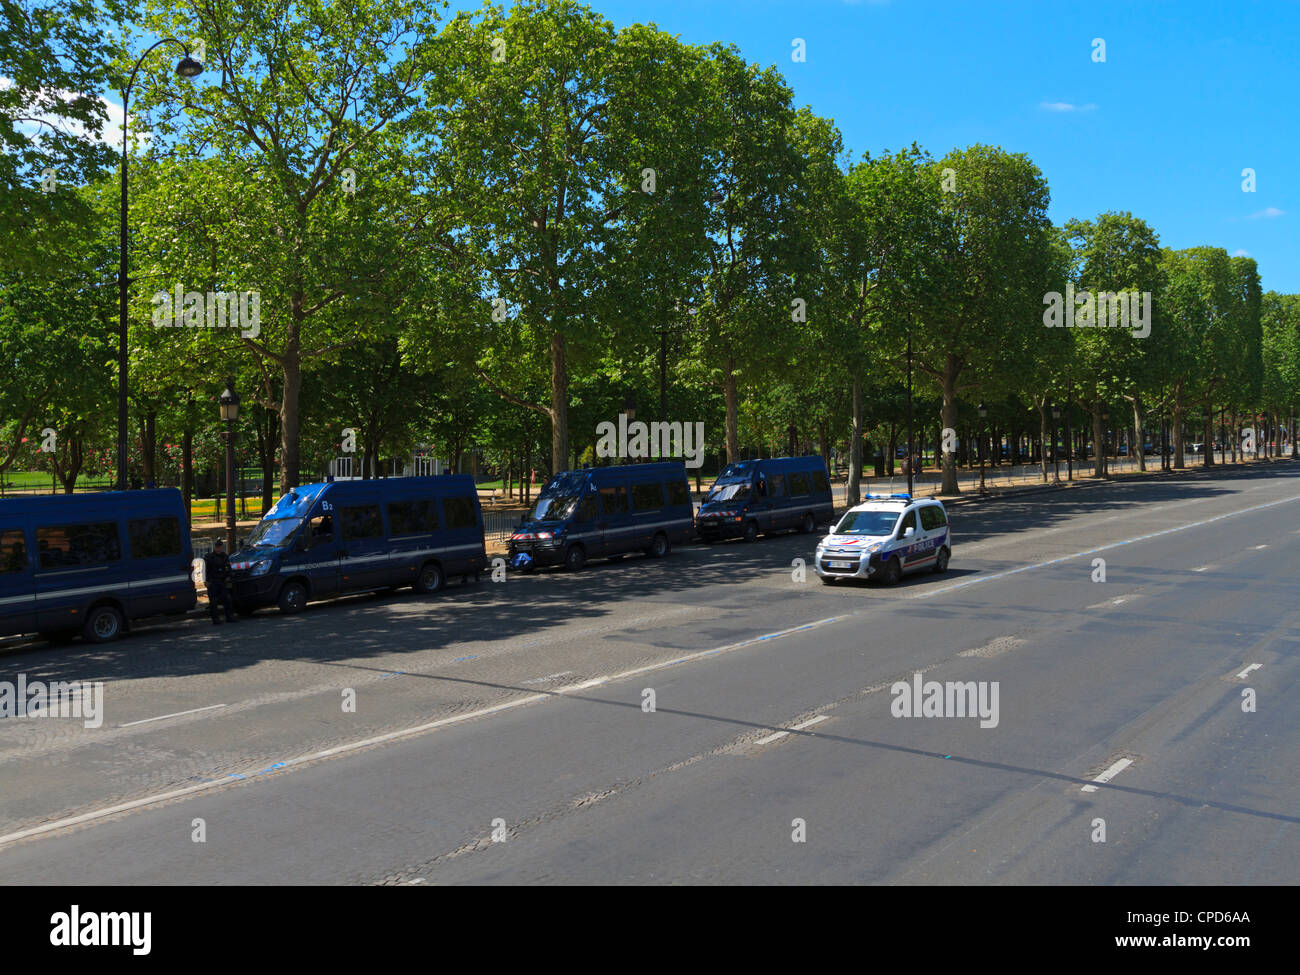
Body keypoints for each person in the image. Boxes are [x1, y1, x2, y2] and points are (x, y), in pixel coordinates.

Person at [203, 539, 236, 625]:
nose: (219, 549)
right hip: (213, 582)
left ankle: (229, 617)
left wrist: (229, 576)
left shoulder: (224, 556)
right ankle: (216, 619)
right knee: (213, 602)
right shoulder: (209, 557)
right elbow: (205, 570)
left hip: (222, 581)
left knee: (227, 599)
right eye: (217, 547)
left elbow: (228, 568)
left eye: (220, 547)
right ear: (215, 547)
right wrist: (206, 581)